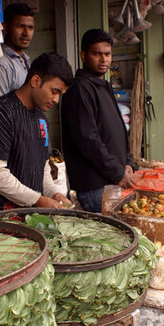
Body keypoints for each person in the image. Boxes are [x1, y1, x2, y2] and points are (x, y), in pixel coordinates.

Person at [0, 52, 74, 213]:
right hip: (4, 219)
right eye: (54, 91)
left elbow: (44, 165)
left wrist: (54, 194)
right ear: (35, 80)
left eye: (60, 94)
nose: (56, 100)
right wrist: (37, 200)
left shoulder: (41, 118)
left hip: (32, 217)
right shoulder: (1, 113)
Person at [60, 29, 134, 213]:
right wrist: (117, 173)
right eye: (97, 54)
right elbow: (88, 140)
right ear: (83, 55)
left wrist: (128, 163)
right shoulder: (79, 89)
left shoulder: (103, 85)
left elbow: (117, 131)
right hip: (95, 186)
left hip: (113, 180)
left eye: (107, 54)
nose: (103, 59)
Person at [0, 3, 35, 106]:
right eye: (21, 26)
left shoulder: (25, 59)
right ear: (5, 28)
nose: (26, 33)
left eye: (30, 27)